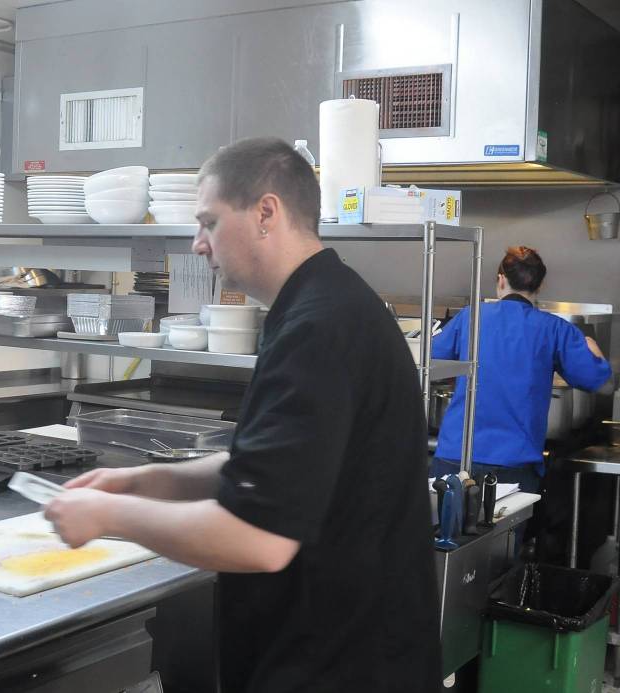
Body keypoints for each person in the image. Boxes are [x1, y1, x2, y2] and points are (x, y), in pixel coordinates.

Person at [45, 137, 441, 693]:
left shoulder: (317, 328)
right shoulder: (325, 303)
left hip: (336, 666)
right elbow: (275, 470)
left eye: (208, 222)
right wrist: (149, 480)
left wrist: (107, 518)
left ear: (265, 213)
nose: (197, 243)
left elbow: (258, 539)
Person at [431, 246, 612, 493]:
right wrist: (594, 349)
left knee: (445, 530)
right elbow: (602, 383)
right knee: (503, 531)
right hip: (513, 466)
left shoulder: (470, 318)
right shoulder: (554, 329)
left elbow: (428, 361)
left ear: (501, 279)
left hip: (456, 456)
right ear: (539, 286)